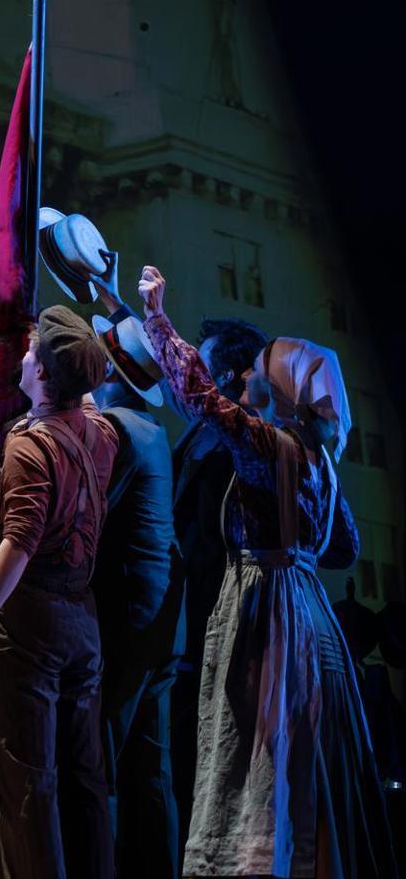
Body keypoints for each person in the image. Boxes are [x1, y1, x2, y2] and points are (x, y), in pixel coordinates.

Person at [137, 264, 400, 879]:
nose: (251, 374)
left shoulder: (274, 447)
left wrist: (157, 318)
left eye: (262, 368)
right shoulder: (321, 460)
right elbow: (343, 548)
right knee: (313, 765)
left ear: (282, 389)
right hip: (315, 617)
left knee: (262, 762)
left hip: (272, 616)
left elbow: (202, 397)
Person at [0, 306, 116, 879]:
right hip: (82, 624)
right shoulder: (101, 434)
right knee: (86, 784)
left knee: (29, 789)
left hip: (32, 627)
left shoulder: (29, 446)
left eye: (29, 354)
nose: (21, 357)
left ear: (44, 375)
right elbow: (84, 399)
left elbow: (18, 539)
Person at [86, 300, 185, 879]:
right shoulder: (154, 431)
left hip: (124, 615)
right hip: (162, 621)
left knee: (105, 765)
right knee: (153, 770)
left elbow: (92, 515)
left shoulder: (116, 430)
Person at [166, 315, 265, 839]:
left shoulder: (243, 440)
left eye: (199, 363)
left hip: (219, 627)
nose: (187, 372)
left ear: (224, 376)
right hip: (191, 627)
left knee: (214, 781)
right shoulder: (203, 431)